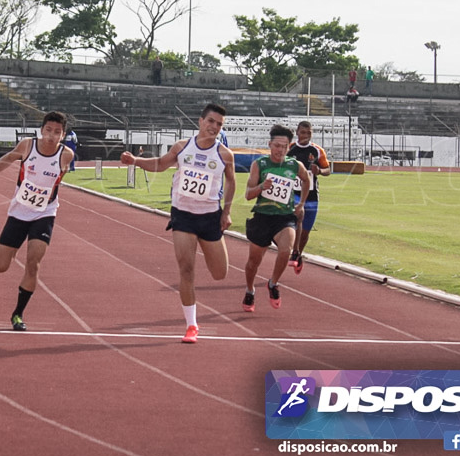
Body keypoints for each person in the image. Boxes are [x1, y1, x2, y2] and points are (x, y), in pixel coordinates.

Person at [121, 103, 236, 343]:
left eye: (219, 124)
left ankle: (192, 320)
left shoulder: (225, 154)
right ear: (200, 121)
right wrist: (135, 161)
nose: (214, 127)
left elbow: (231, 182)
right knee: (186, 269)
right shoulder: (182, 147)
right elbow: (161, 164)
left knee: (220, 273)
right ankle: (191, 325)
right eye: (211, 121)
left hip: (209, 217)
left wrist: (226, 212)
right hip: (183, 215)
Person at [0, 111, 74, 331]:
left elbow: (56, 183)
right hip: (19, 212)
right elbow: (7, 159)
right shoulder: (28, 146)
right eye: (48, 130)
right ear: (41, 130)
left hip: (44, 213)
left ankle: (18, 314)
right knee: (0, 266)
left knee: (33, 263)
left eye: (57, 132)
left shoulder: (66, 155)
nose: (51, 136)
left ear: (63, 135)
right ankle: (14, 247)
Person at [241, 126, 311, 312]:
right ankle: (249, 290)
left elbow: (306, 180)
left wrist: (301, 203)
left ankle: (273, 283)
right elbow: (248, 194)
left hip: (284, 217)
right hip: (262, 218)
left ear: (289, 147)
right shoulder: (259, 165)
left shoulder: (294, 165)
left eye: (285, 146)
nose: (280, 150)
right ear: (269, 145)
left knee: (286, 249)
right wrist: (262, 187)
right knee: (253, 263)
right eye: (277, 145)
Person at [287, 121, 331, 275]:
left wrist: (319, 170)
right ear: (297, 133)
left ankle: (298, 253)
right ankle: (294, 251)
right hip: (295, 193)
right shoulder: (290, 148)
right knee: (298, 216)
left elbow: (328, 170)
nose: (305, 136)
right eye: (303, 132)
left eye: (309, 133)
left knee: (305, 231)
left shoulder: (317, 150)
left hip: (312, 194)